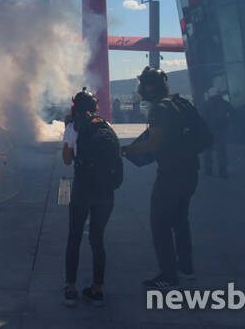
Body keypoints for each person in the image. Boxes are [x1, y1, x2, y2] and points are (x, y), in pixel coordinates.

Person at [121, 67, 202, 289]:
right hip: (190, 172)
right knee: (180, 220)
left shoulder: (159, 110)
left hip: (172, 176)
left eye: (141, 85)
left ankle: (168, 275)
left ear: (149, 87)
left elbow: (154, 143)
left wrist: (127, 150)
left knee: (160, 224)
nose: (139, 89)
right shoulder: (179, 103)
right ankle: (186, 268)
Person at [61, 88, 122, 307]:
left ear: (75, 107)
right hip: (105, 192)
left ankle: (70, 288)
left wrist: (68, 136)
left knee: (74, 238)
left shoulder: (73, 127)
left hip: (82, 189)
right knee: (97, 239)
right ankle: (97, 289)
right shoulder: (106, 126)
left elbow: (67, 160)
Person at [203, 87, 234, 178]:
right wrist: (227, 121)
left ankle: (208, 171)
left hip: (208, 131)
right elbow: (232, 112)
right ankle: (222, 172)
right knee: (221, 152)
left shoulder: (206, 104)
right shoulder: (224, 103)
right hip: (221, 130)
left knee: (208, 152)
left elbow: (201, 117)